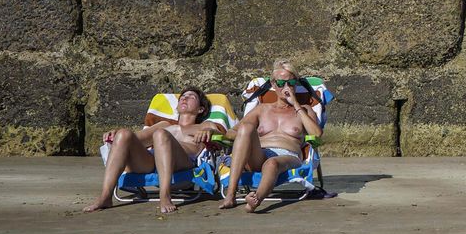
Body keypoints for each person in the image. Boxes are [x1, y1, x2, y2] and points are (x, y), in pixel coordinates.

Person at [86, 88, 227, 214]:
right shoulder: (164, 125)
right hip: (152, 163)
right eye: (183, 97)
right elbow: (136, 138)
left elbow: (218, 136)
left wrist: (209, 132)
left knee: (161, 134)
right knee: (124, 134)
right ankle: (105, 196)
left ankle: (164, 195)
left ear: (200, 109)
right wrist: (116, 135)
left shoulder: (204, 126)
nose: (185, 98)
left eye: (191, 97)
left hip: (183, 165)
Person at [221, 60, 323, 211]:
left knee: (272, 164)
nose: (286, 87)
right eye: (281, 83)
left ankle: (256, 199)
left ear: (296, 84)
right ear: (273, 85)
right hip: (259, 154)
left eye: (291, 82)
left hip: (288, 156)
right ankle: (230, 195)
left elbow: (317, 134)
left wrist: (295, 104)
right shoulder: (262, 109)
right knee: (246, 127)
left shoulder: (305, 110)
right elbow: (232, 132)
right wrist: (243, 137)